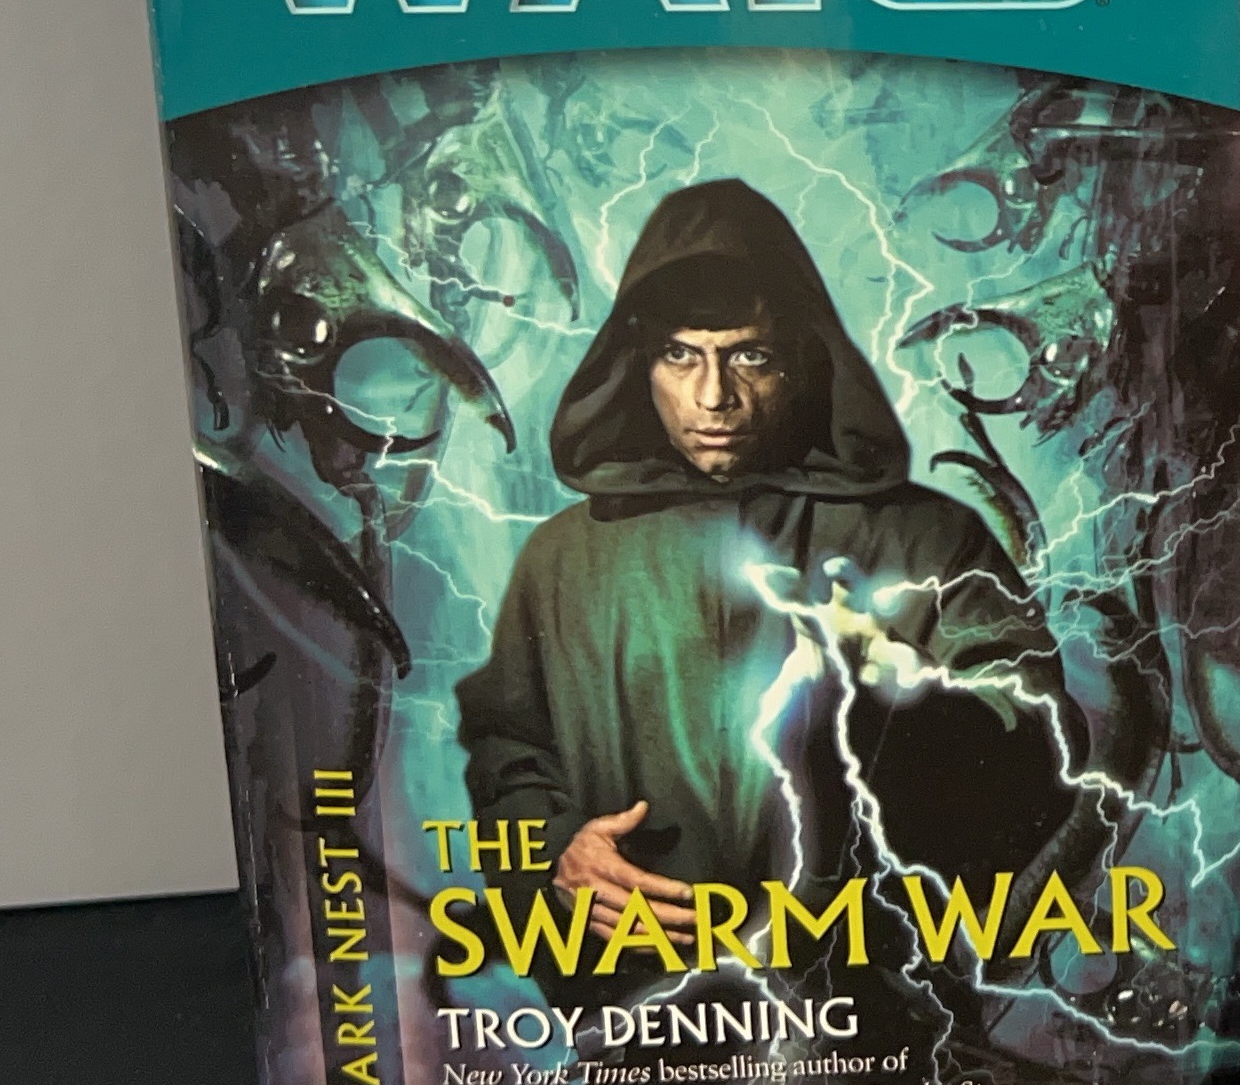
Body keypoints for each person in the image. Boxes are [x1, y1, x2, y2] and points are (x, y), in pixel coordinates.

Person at [457, 178, 1073, 993]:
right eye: (681, 355)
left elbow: (1040, 746)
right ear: (639, 364)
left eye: (750, 356)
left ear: (804, 360)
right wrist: (556, 853)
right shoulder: (564, 558)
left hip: (877, 1003)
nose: (713, 396)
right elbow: (509, 748)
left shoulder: (926, 537)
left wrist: (909, 703)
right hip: (646, 1008)